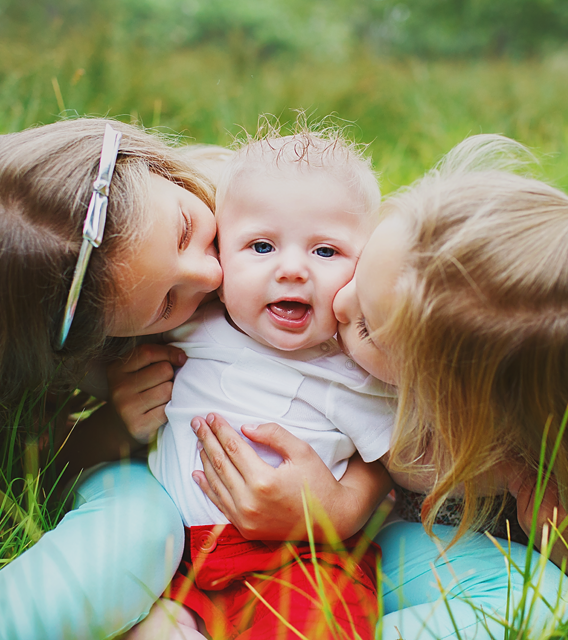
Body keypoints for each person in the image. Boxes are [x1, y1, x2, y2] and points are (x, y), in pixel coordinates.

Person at [190, 134, 568, 640]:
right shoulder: (443, 283)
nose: (337, 300)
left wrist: (535, 506)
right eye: (361, 269)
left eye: (367, 325)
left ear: (455, 400)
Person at [0, 118, 226, 640]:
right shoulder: (100, 354)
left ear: (154, 164)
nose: (209, 275)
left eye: (187, 229)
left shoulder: (253, 197)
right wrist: (118, 426)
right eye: (166, 304)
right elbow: (38, 460)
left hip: (326, 522)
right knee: (142, 531)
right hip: (173, 508)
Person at [132, 130, 396, 640]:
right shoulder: (192, 324)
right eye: (261, 245)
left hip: (297, 558)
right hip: (175, 558)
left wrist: (342, 509)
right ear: (220, 256)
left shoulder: (360, 367)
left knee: (315, 621)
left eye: (325, 250)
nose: (293, 269)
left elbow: (392, 460)